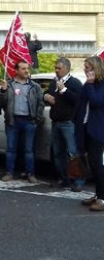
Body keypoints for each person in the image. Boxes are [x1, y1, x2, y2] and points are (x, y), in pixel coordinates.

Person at [0, 60, 45, 183]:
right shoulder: (9, 85)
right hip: (13, 121)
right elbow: (1, 102)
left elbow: (40, 103)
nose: (26, 71)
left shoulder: (34, 86)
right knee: (11, 148)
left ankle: (30, 173)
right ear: (16, 70)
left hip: (29, 121)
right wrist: (3, 91)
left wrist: (37, 118)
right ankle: (9, 172)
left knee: (28, 149)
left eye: (27, 69)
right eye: (23, 69)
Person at [44, 57, 84, 191]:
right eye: (55, 68)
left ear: (67, 68)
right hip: (56, 122)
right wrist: (46, 96)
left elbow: (79, 100)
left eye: (59, 68)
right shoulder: (54, 82)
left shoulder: (75, 83)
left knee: (72, 153)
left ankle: (78, 180)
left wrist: (65, 90)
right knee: (58, 153)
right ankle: (64, 178)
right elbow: (47, 92)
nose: (56, 71)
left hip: (69, 122)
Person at [76, 56, 104, 211]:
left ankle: (102, 198)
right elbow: (81, 104)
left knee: (97, 164)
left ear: (96, 68)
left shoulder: (100, 84)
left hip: (98, 129)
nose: (85, 69)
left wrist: (91, 84)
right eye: (85, 67)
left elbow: (97, 102)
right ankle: (97, 194)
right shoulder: (88, 84)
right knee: (91, 163)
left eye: (88, 67)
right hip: (86, 127)